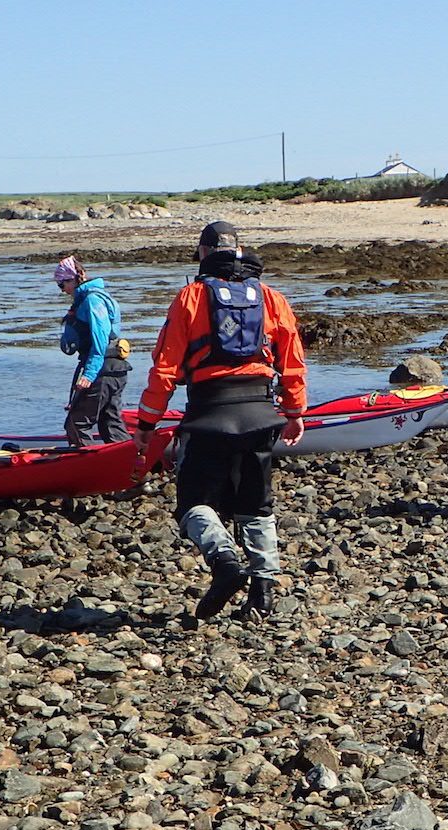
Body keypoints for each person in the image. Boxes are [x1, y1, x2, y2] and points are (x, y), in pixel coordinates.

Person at [132, 222, 307, 620]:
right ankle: (263, 592)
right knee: (256, 502)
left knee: (192, 503)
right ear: (239, 249)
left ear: (203, 253)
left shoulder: (190, 297)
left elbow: (164, 370)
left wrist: (146, 424)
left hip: (209, 414)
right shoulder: (272, 298)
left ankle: (225, 563)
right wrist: (295, 413)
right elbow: (293, 364)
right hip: (261, 413)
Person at [55, 255, 130, 447]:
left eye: (62, 284)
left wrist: (88, 375)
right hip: (114, 368)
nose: (62, 290)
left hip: (102, 370)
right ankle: (132, 460)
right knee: (110, 423)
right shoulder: (93, 298)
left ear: (74, 279)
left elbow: (100, 340)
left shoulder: (92, 300)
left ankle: (90, 463)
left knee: (76, 424)